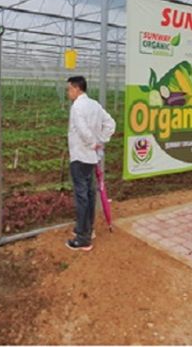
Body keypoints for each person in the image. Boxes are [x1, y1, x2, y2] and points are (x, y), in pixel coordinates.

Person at [65, 75, 116, 252]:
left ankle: (83, 239)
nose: (68, 92)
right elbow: (111, 123)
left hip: (80, 156)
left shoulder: (77, 107)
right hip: (92, 157)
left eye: (69, 89)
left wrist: (93, 142)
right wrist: (102, 140)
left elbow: (82, 129)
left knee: (82, 196)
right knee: (89, 193)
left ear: (77, 88)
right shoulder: (94, 104)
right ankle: (88, 229)